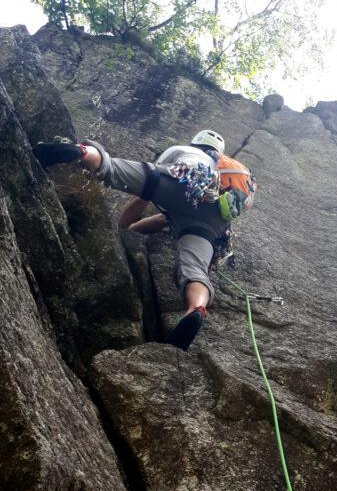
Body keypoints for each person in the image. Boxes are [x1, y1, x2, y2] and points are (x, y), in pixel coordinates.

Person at [34, 130, 231, 351]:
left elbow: (146, 192)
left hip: (188, 176)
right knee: (195, 269)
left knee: (113, 169)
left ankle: (81, 152)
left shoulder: (184, 151)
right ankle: (196, 308)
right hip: (215, 219)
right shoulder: (224, 175)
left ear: (196, 143)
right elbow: (162, 219)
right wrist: (135, 229)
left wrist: (119, 231)